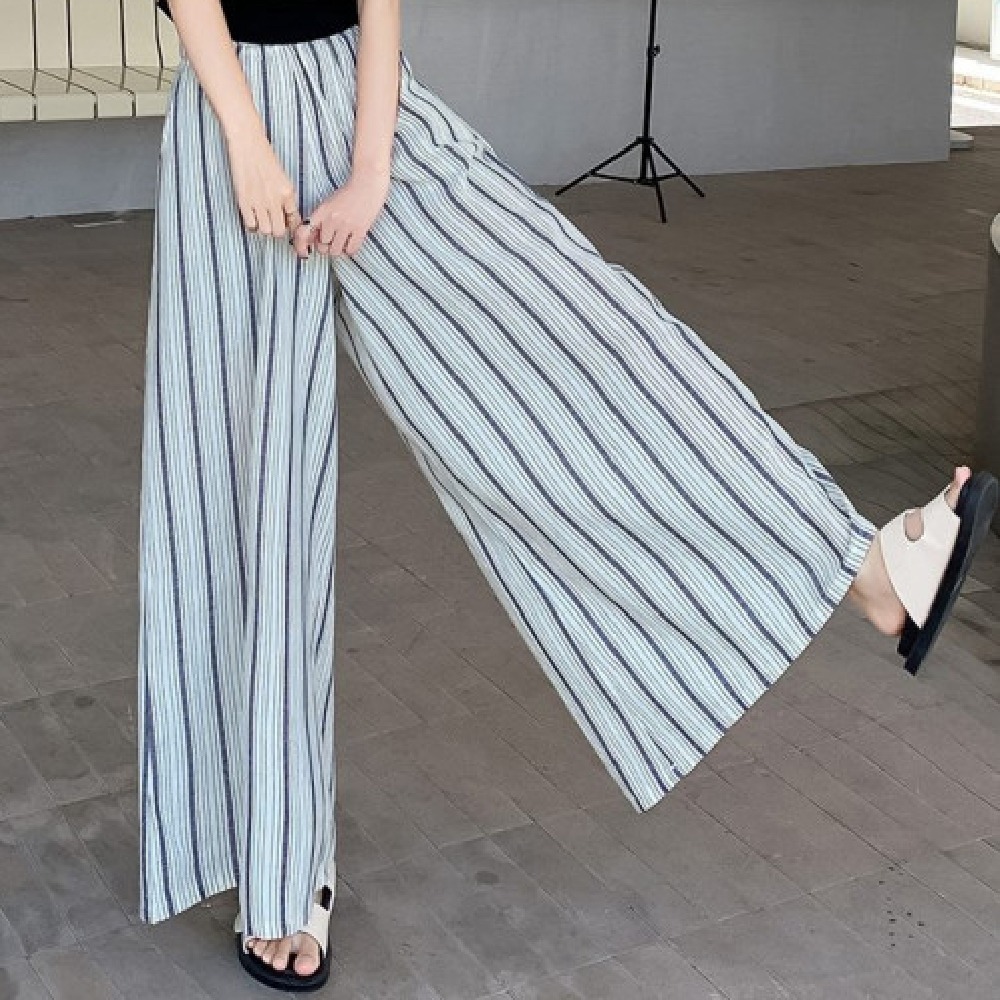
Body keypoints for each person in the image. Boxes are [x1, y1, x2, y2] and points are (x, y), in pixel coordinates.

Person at [138, 0, 999, 991]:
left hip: (362, 98)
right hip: (230, 111)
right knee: (249, 495)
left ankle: (859, 564)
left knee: (582, 344)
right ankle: (279, 869)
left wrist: (373, 169)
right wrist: (246, 138)